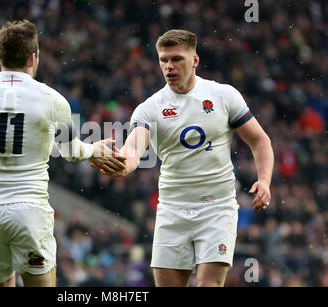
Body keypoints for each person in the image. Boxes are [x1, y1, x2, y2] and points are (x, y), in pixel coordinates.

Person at [0, 20, 125, 287]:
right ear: (34, 57)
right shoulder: (53, 100)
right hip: (30, 212)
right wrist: (94, 150)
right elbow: (70, 152)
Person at [92, 29, 274, 287]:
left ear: (195, 61)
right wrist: (120, 164)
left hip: (217, 207)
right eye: (163, 60)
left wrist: (264, 180)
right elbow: (133, 150)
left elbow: (260, 140)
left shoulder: (224, 96)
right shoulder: (149, 109)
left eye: (176, 59)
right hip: (172, 209)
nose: (169, 66)